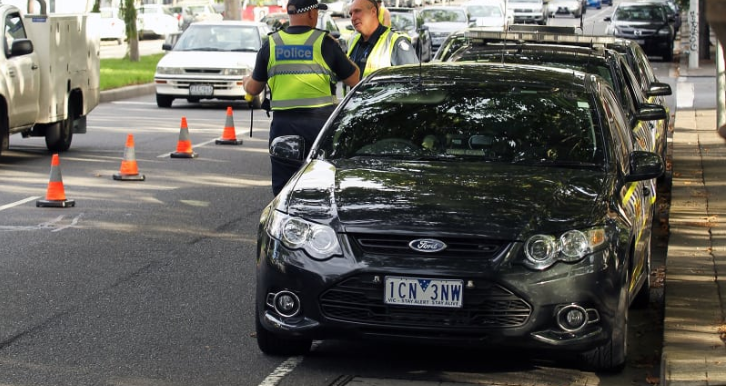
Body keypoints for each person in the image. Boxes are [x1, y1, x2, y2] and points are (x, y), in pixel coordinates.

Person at [243, 0, 360, 196]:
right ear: (312, 14)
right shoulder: (325, 42)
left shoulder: (271, 43)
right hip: (319, 127)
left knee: (284, 188)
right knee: (320, 183)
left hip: (283, 127)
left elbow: (254, 88)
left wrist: (246, 80)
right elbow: (355, 78)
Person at [347, 0, 419, 80]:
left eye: (357, 11)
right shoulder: (354, 41)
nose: (353, 18)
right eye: (351, 14)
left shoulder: (396, 42)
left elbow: (413, 82)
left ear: (373, 11)